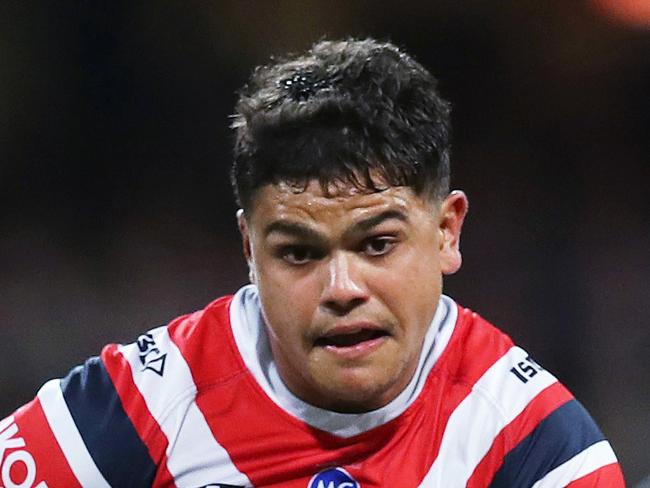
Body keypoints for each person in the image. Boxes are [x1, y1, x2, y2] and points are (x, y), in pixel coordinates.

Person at [0, 38, 625, 488]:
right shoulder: (141, 405)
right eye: (299, 253)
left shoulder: (534, 445)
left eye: (377, 244)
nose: (342, 288)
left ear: (445, 231)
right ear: (250, 251)